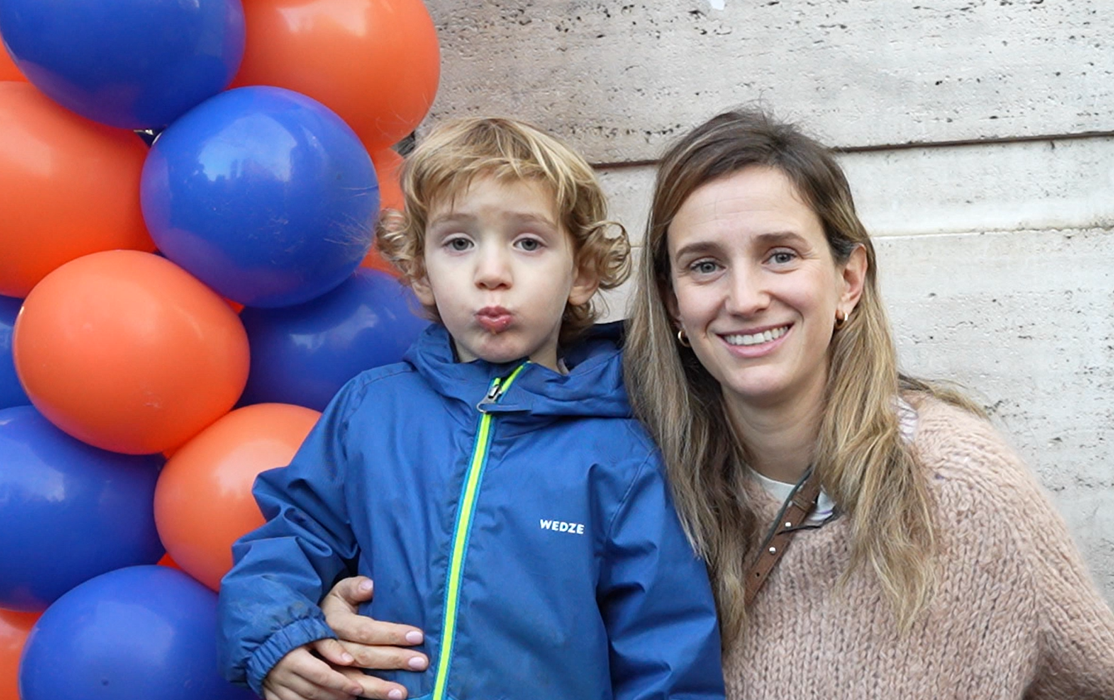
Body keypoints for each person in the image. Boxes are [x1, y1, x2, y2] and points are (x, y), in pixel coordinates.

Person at [317, 109, 1114, 698]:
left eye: (780, 255)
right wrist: (322, 622)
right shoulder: (631, 447)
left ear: (848, 280)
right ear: (670, 301)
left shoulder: (956, 485)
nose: (744, 296)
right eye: (704, 265)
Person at [217, 117, 725, 700]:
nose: (491, 274)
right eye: (458, 243)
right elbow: (291, 538)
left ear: (582, 272)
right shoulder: (371, 411)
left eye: (528, 243)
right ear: (420, 271)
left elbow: (665, 650)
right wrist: (276, 638)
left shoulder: (623, 451)